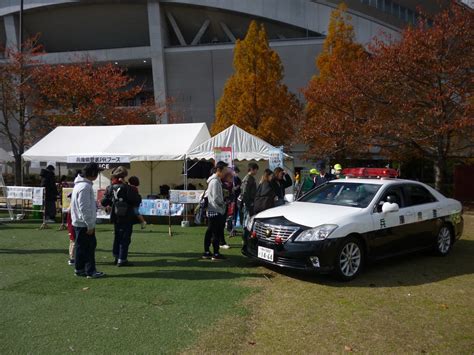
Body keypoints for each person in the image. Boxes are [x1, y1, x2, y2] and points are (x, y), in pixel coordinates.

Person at [101, 166, 142, 267]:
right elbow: (137, 200)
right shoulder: (129, 188)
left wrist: (113, 202)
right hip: (127, 216)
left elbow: (104, 202)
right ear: (124, 176)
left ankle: (116, 256)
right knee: (125, 238)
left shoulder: (110, 187)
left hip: (116, 216)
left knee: (117, 236)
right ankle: (122, 259)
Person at [70, 163, 104, 278]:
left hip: (79, 222)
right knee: (89, 247)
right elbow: (84, 207)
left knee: (81, 247)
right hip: (84, 223)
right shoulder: (85, 186)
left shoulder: (79, 185)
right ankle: (90, 271)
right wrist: (90, 224)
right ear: (93, 174)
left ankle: (80, 269)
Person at [202, 161, 228, 261]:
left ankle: (208, 252)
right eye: (224, 170)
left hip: (213, 210)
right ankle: (215, 253)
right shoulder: (215, 181)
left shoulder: (215, 181)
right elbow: (216, 198)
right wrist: (223, 203)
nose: (225, 173)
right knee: (215, 233)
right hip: (215, 210)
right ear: (219, 170)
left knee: (211, 232)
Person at [240, 162, 259, 251]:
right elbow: (244, 193)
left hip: (250, 203)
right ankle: (245, 241)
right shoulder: (247, 179)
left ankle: (246, 240)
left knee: (248, 222)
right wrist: (248, 204)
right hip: (248, 204)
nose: (256, 171)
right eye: (255, 169)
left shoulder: (250, 178)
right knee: (246, 223)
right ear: (252, 169)